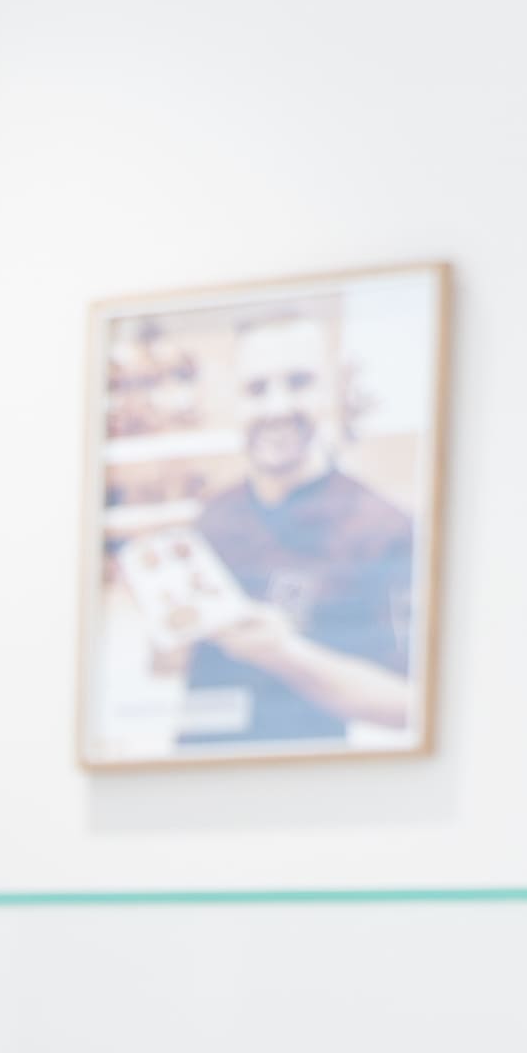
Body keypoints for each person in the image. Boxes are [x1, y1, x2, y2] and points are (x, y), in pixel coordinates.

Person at [166, 309, 418, 746]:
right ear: (234, 400)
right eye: (256, 389)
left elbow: (408, 705)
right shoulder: (213, 519)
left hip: (309, 793)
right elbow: (172, 666)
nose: (276, 407)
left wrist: (286, 655)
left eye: (299, 383)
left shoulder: (382, 527)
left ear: (334, 390)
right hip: (196, 787)